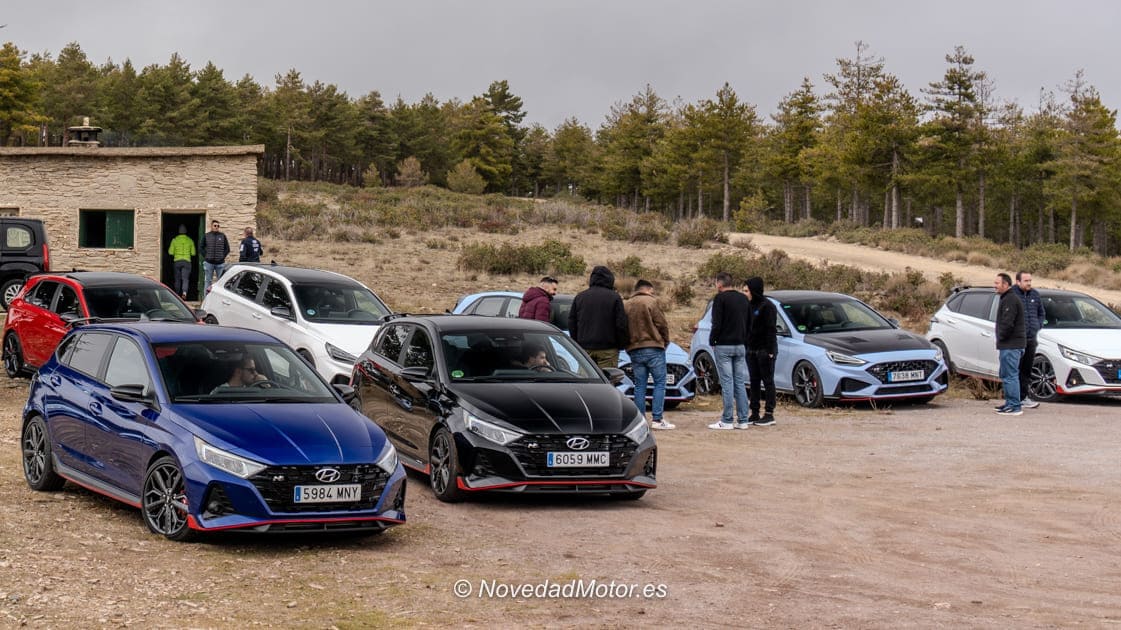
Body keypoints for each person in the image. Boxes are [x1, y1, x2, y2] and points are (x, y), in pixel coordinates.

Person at [624, 279, 674, 430]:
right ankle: (657, 419)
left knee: (640, 385)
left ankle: (641, 421)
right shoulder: (651, 302)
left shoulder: (627, 305)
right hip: (653, 347)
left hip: (634, 348)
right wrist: (665, 341)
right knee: (659, 383)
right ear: (648, 289)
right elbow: (661, 324)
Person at [708, 272, 751, 430]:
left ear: (720, 284)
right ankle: (743, 419)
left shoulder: (720, 299)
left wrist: (713, 340)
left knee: (727, 382)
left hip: (724, 345)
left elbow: (716, 323)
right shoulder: (743, 298)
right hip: (740, 345)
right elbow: (749, 322)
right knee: (739, 381)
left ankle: (727, 420)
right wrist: (744, 339)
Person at [568, 265, 629, 369]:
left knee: (586, 377)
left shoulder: (580, 297)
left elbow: (572, 323)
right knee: (607, 377)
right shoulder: (614, 297)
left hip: (585, 348)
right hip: (608, 348)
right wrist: (621, 344)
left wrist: (577, 343)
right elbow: (621, 324)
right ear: (610, 280)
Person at [744, 276, 778, 426]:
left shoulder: (767, 306)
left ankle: (769, 413)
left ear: (754, 291)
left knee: (768, 381)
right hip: (751, 349)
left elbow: (771, 329)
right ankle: (755, 412)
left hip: (765, 350)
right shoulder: (748, 306)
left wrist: (770, 350)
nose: (745, 293)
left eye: (747, 291)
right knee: (754, 381)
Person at [994, 273, 1026, 416]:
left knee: (1011, 375)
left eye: (997, 283)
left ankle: (1014, 406)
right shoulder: (1006, 298)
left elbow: (1007, 323)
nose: (995, 286)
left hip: (1011, 345)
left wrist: (1001, 336)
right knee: (1006, 374)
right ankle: (1009, 403)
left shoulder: (1010, 300)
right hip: (1008, 345)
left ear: (1006, 284)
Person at [1013, 271, 1045, 409]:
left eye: (1030, 280)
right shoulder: (1012, 295)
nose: (1029, 283)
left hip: (1031, 339)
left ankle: (1024, 397)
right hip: (1017, 339)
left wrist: (1038, 325)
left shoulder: (1035, 295)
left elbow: (1041, 313)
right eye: (1026, 281)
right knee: (1015, 369)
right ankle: (1014, 398)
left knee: (1026, 369)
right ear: (1018, 282)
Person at [167, 224, 196, 300]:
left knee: (177, 279)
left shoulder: (174, 240)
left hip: (177, 261)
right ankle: (184, 293)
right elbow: (193, 253)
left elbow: (170, 252)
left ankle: (177, 294)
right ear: (186, 231)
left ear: (178, 231)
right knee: (185, 279)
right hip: (187, 261)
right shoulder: (190, 240)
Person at [201, 219, 230, 293]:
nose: (216, 227)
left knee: (221, 282)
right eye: (215, 225)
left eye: (218, 226)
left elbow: (227, 249)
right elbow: (201, 247)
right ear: (211, 226)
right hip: (209, 263)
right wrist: (206, 256)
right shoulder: (206, 236)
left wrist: (222, 257)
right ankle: (206, 298)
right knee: (208, 281)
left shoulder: (222, 236)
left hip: (220, 263)